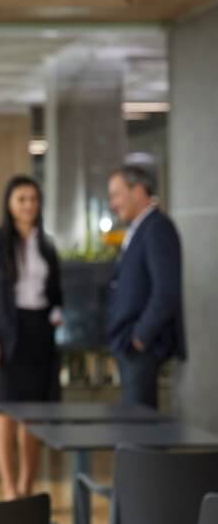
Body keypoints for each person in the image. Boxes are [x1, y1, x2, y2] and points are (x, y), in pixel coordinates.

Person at [0, 175, 63, 501]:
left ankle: (26, 487)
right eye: (22, 199)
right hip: (5, 333)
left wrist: (56, 314)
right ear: (10, 204)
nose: (29, 205)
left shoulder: (47, 243)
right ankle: (9, 488)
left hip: (39, 333)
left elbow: (55, 292)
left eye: (33, 199)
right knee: (4, 410)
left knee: (34, 414)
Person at [106, 165, 186, 408]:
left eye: (116, 194)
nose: (113, 204)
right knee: (134, 422)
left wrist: (140, 337)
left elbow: (166, 290)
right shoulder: (140, 228)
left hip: (142, 346)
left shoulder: (157, 228)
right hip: (131, 344)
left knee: (140, 428)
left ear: (138, 191)